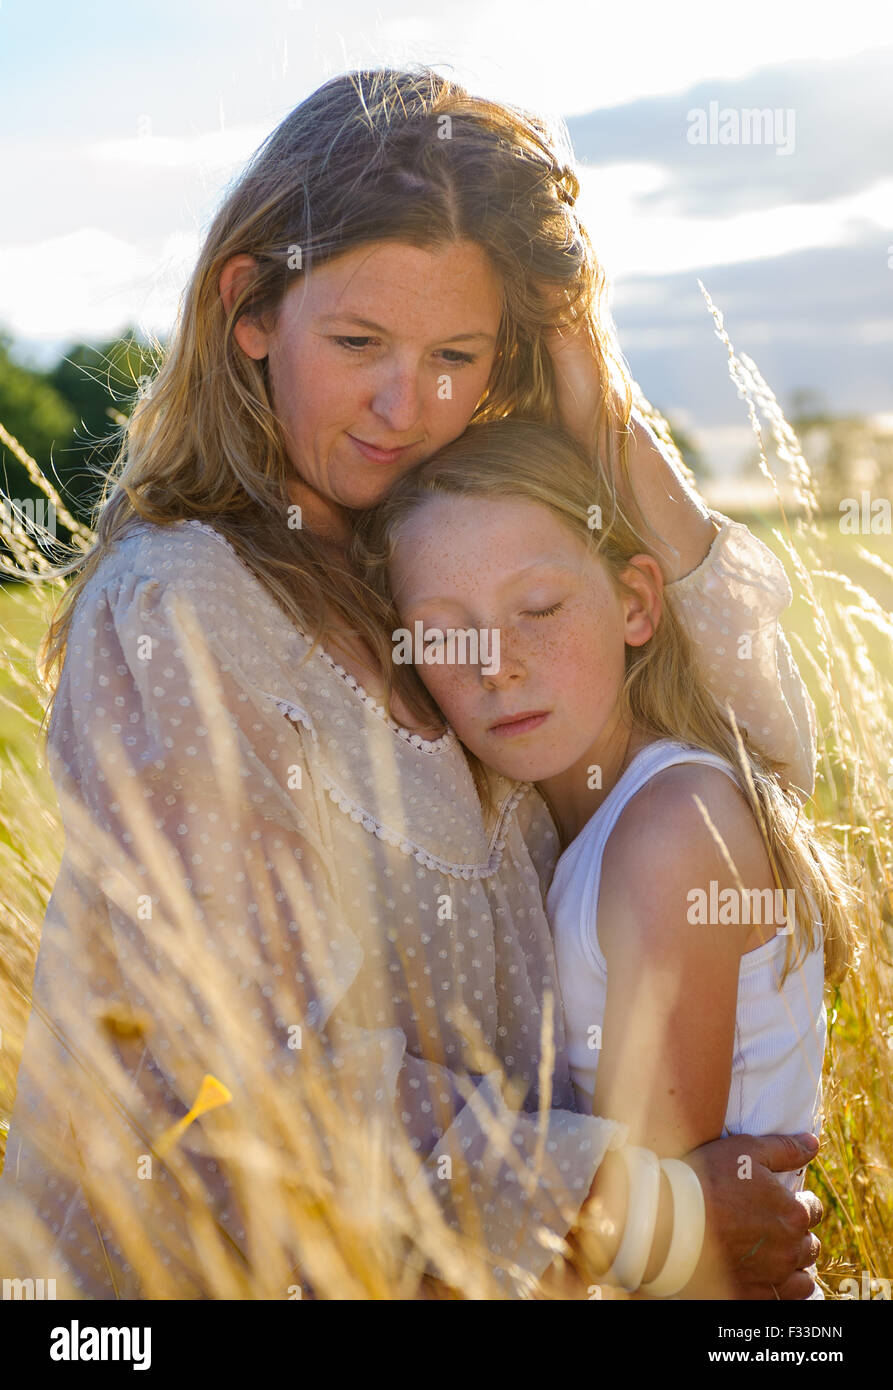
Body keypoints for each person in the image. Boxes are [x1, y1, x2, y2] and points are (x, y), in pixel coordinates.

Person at [0, 67, 822, 1300]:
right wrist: (648, 1217)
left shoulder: (438, 566)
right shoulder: (182, 607)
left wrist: (603, 417)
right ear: (249, 308)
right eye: (358, 343)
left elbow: (761, 754)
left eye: (456, 353)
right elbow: (252, 1070)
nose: (406, 405)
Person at [363, 415, 854, 1297]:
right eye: (443, 633)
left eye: (539, 609)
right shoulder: (539, 830)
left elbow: (674, 1262)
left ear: (635, 603)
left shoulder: (669, 830)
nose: (496, 667)